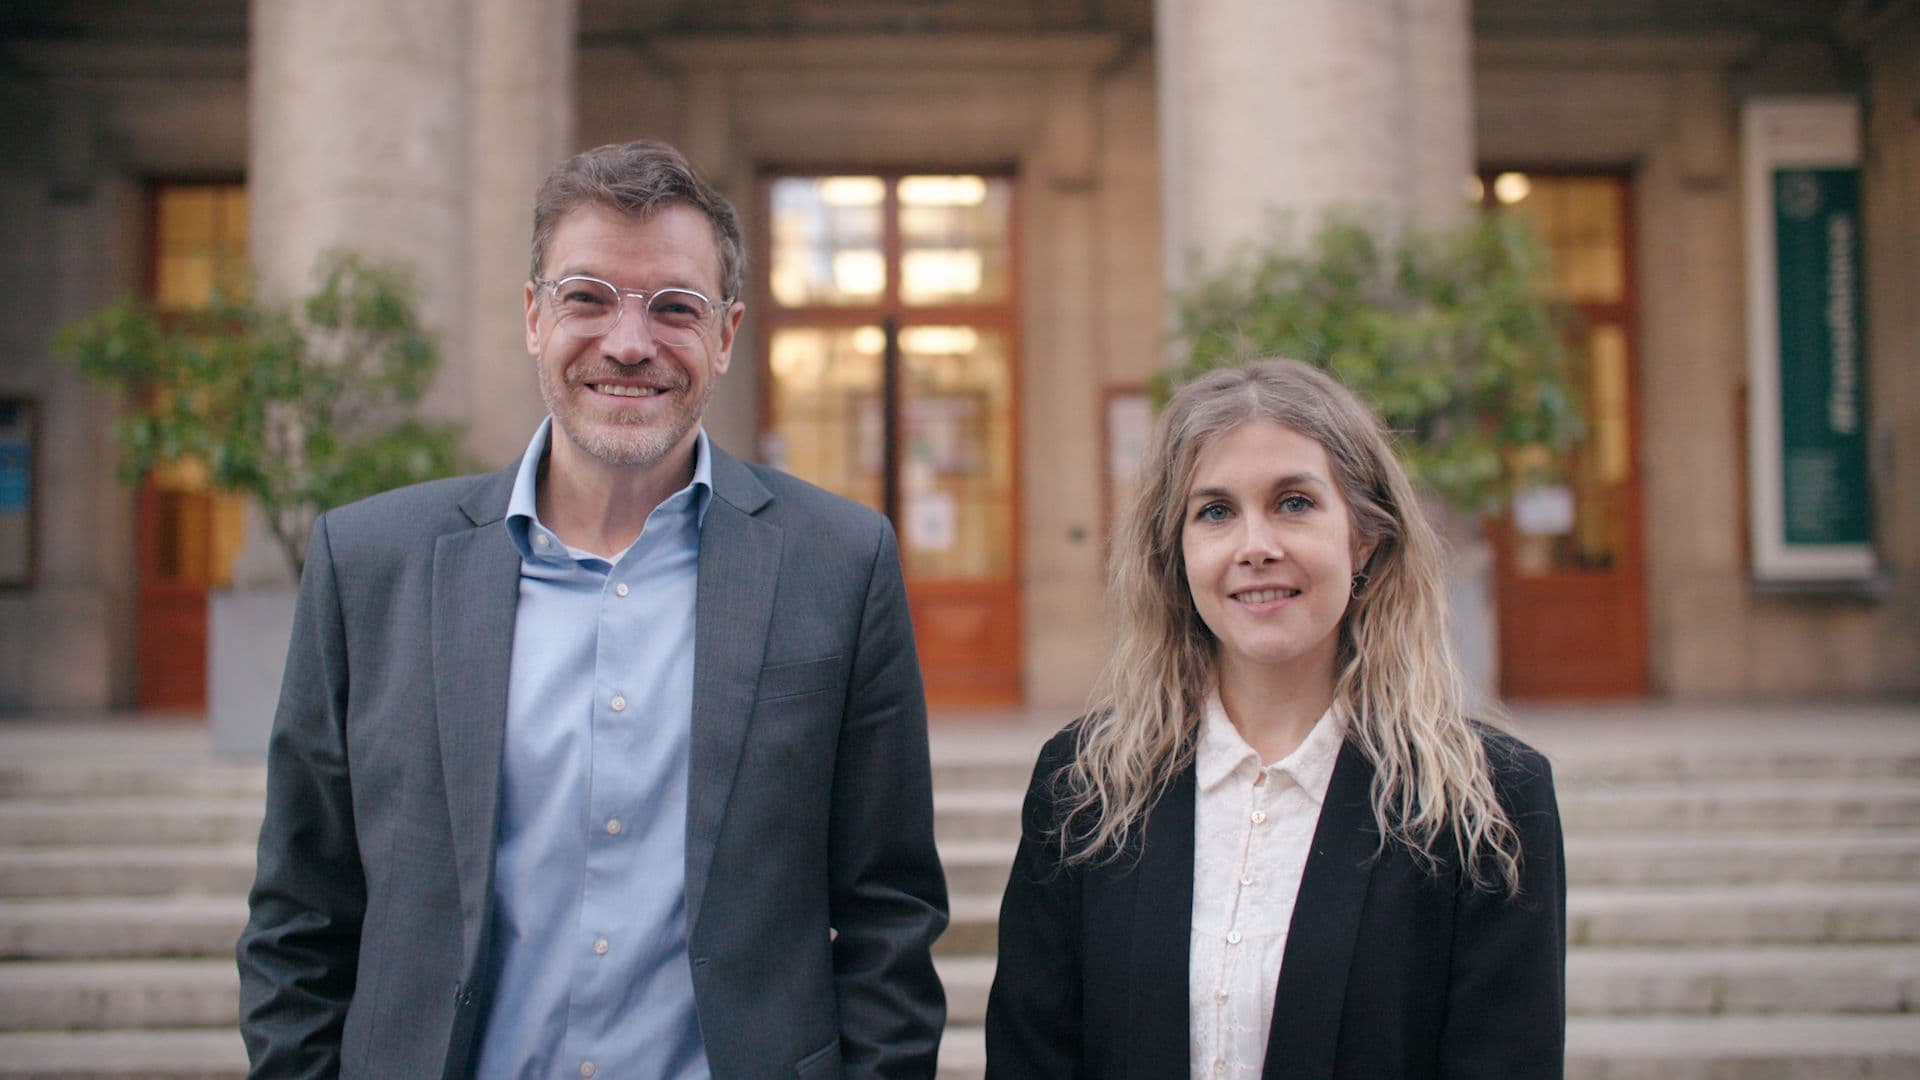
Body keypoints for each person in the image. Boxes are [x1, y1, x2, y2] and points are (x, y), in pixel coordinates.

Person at [238, 139, 948, 1078]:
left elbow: (886, 912)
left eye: (675, 308)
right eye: (587, 296)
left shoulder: (839, 565)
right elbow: (301, 915)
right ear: (533, 316)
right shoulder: (370, 565)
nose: (628, 341)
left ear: (726, 335)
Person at [985, 358, 1565, 1078]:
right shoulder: (1084, 787)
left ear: (1364, 539)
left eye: (1294, 502)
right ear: (1178, 555)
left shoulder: (1489, 801)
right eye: (1216, 511)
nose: (1256, 546)